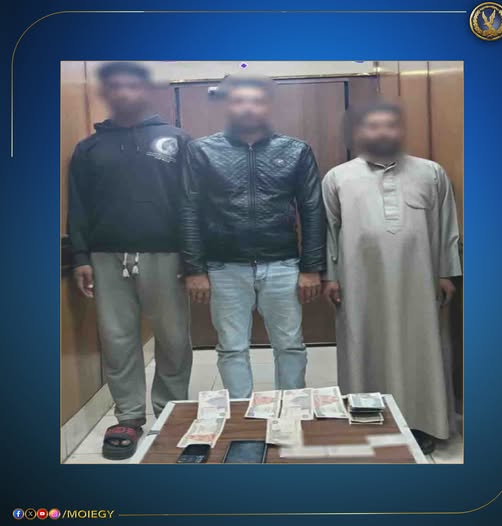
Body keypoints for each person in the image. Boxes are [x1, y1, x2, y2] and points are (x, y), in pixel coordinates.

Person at [68, 62, 192, 460]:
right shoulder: (89, 148)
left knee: (173, 337)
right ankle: (129, 416)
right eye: (116, 87)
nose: (124, 93)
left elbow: (192, 203)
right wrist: (81, 256)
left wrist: (194, 259)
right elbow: (78, 207)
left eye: (132, 86)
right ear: (107, 93)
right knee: (117, 338)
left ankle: (171, 410)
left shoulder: (177, 140)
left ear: (146, 92)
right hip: (106, 255)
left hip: (166, 254)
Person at [322, 101, 462, 454]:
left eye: (389, 125)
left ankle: (421, 423)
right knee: (362, 344)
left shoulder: (431, 173)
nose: (382, 132)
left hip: (420, 281)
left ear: (400, 131)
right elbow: (329, 232)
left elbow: (446, 226)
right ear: (359, 133)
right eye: (373, 126)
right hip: (359, 283)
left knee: (422, 347)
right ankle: (368, 421)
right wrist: (331, 276)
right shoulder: (338, 178)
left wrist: (446, 272)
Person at [181, 75, 326, 399]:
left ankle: (290, 408)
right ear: (227, 106)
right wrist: (194, 269)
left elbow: (312, 210)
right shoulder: (201, 151)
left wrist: (311, 267)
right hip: (223, 266)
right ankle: (240, 415)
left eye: (256, 101)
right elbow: (188, 211)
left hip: (283, 264)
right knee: (232, 347)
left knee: (290, 344)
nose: (248, 108)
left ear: (269, 106)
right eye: (239, 101)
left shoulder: (296, 150)